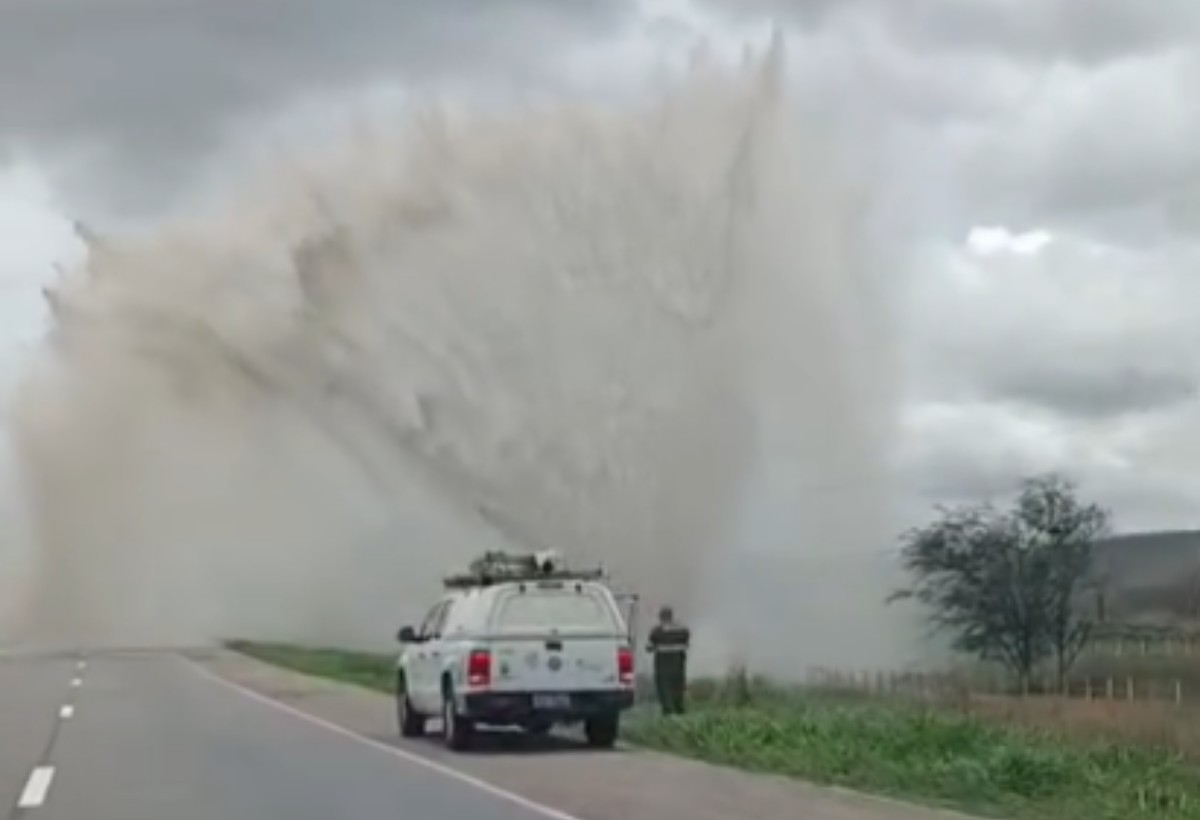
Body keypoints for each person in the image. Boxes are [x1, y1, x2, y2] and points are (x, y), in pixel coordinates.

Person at [646, 605, 690, 715]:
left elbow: (650, 646)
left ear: (661, 617)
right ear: (671, 616)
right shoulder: (682, 629)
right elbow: (686, 643)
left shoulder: (657, 631)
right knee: (678, 684)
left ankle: (668, 709)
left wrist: (651, 647)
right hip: (678, 661)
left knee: (664, 685)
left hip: (663, 662)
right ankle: (678, 707)